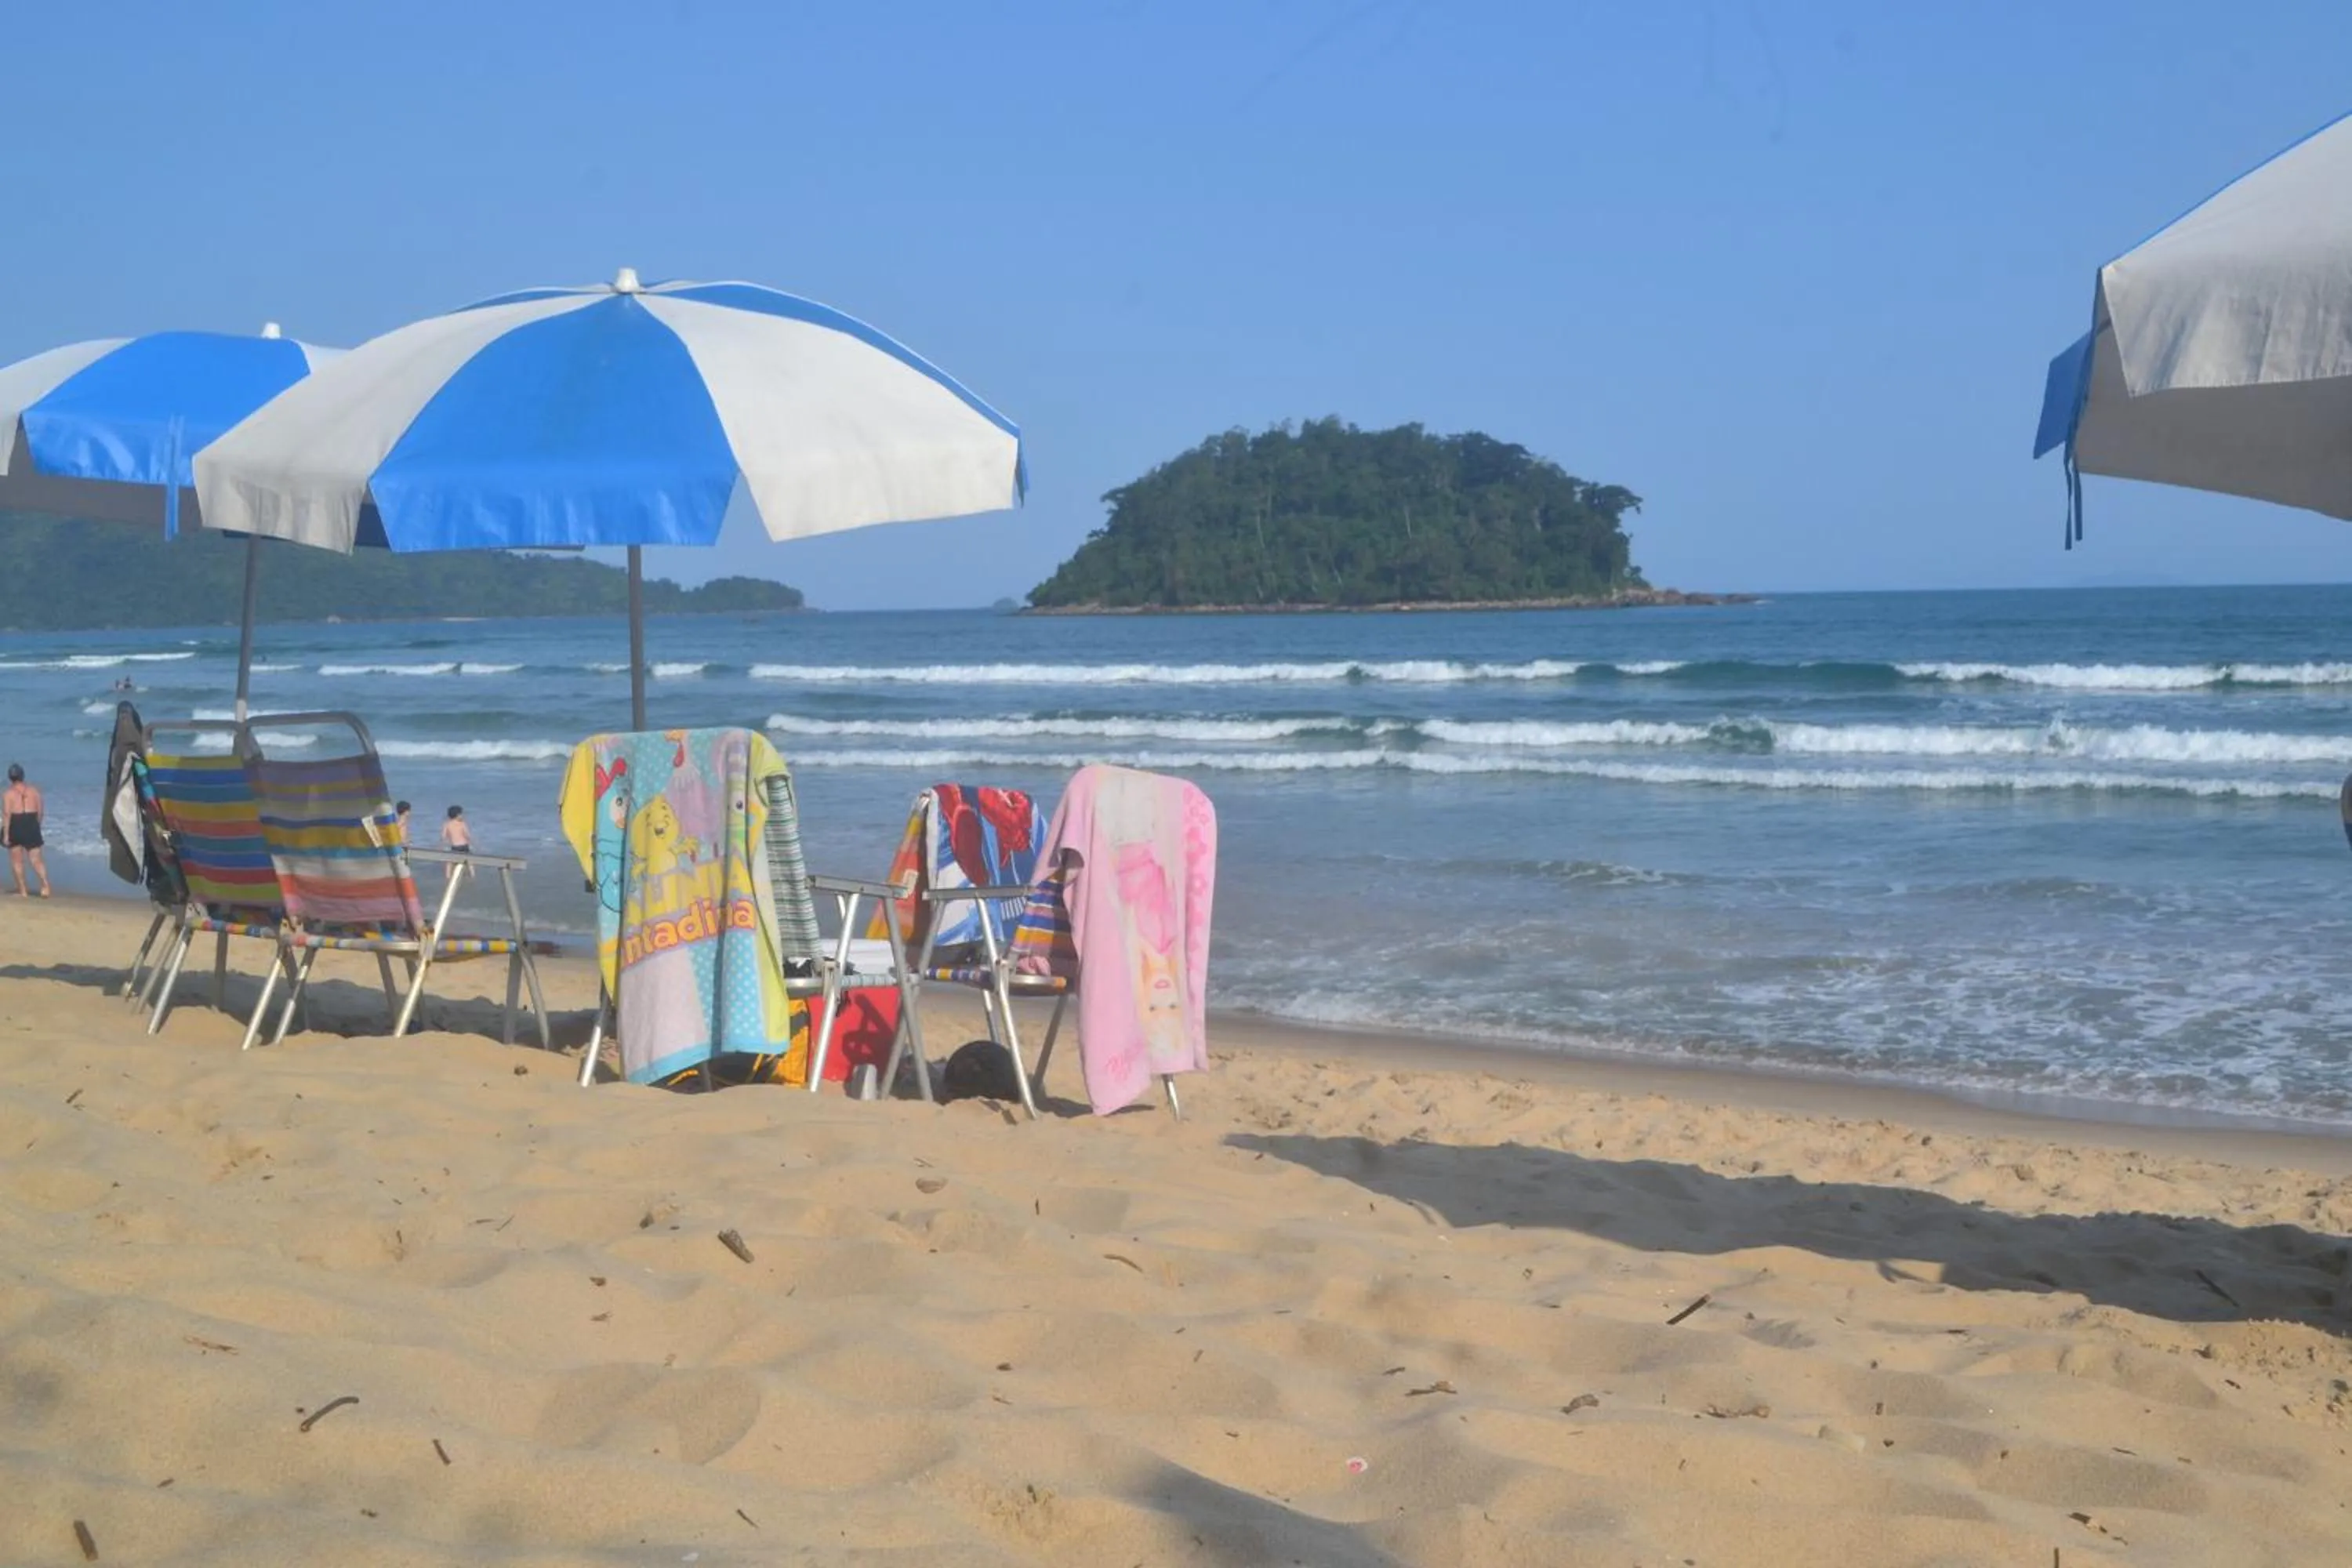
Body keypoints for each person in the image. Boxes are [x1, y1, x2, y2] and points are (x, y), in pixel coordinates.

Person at [3, 763, 53, 898]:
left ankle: (23, 891)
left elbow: (7, 815)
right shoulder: (35, 791)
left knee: (17, 860)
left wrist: (6, 835)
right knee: (36, 859)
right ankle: (45, 886)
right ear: (22, 775)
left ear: (10, 778)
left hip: (16, 823)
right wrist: (37, 826)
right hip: (31, 822)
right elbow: (41, 812)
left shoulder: (8, 794)